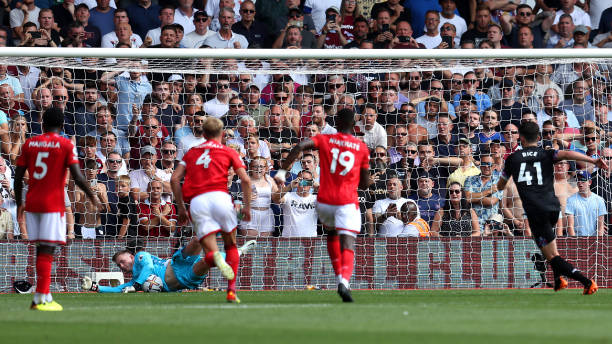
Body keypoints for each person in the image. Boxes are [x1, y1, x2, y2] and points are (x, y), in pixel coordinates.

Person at [492, 121, 604, 294]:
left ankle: (587, 282)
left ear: (520, 138)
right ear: (538, 137)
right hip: (553, 208)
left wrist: (494, 188)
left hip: (535, 212)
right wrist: (593, 160)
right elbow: (567, 152)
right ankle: (559, 279)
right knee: (548, 247)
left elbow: (501, 185)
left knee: (552, 256)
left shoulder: (512, 159)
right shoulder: (546, 153)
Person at [275, 108, 370, 302]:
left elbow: (300, 145)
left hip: (324, 200)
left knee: (332, 234)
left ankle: (339, 277)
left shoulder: (325, 140)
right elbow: (365, 184)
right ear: (355, 125)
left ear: (336, 122)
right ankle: (344, 281)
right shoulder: (361, 148)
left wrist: (283, 172)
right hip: (346, 201)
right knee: (348, 242)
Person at [14, 107, 101, 311]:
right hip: (52, 203)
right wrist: (91, 196)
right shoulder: (65, 144)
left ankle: (44, 295)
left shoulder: (29, 143)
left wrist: (20, 203)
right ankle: (40, 300)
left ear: (42, 124)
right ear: (62, 126)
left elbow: (18, 178)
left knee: (42, 249)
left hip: (32, 201)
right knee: (48, 249)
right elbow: (78, 177)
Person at [171, 117, 252, 303]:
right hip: (221, 198)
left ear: (204, 134)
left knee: (208, 247)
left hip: (198, 202)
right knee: (231, 245)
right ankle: (231, 291)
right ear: (222, 134)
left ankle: (213, 255)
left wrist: (182, 208)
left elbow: (175, 179)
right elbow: (246, 180)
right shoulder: (228, 151)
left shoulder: (191, 152)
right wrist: (246, 207)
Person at [81, 237, 257, 293]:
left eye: (122, 261)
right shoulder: (137, 280)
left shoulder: (141, 257)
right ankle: (231, 255)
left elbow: (150, 267)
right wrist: (94, 287)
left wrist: (135, 285)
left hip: (175, 264)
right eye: (119, 265)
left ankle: (236, 252)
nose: (121, 266)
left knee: (197, 240)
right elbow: (118, 289)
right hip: (184, 280)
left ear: (131, 255)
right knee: (206, 262)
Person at [565, 170, 607, 236]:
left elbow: (600, 226)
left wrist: (599, 242)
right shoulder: (570, 200)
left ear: (589, 182)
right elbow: (570, 226)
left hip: (594, 239)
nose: (580, 183)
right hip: (577, 239)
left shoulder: (599, 200)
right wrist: (575, 242)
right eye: (578, 180)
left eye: (583, 180)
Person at [277, 170, 317, 237]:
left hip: (310, 240)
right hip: (289, 240)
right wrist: (290, 186)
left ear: (312, 183)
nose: (304, 183)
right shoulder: (288, 196)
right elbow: (276, 199)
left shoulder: (316, 198)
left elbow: (331, 202)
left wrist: (319, 187)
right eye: (301, 180)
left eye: (307, 180)